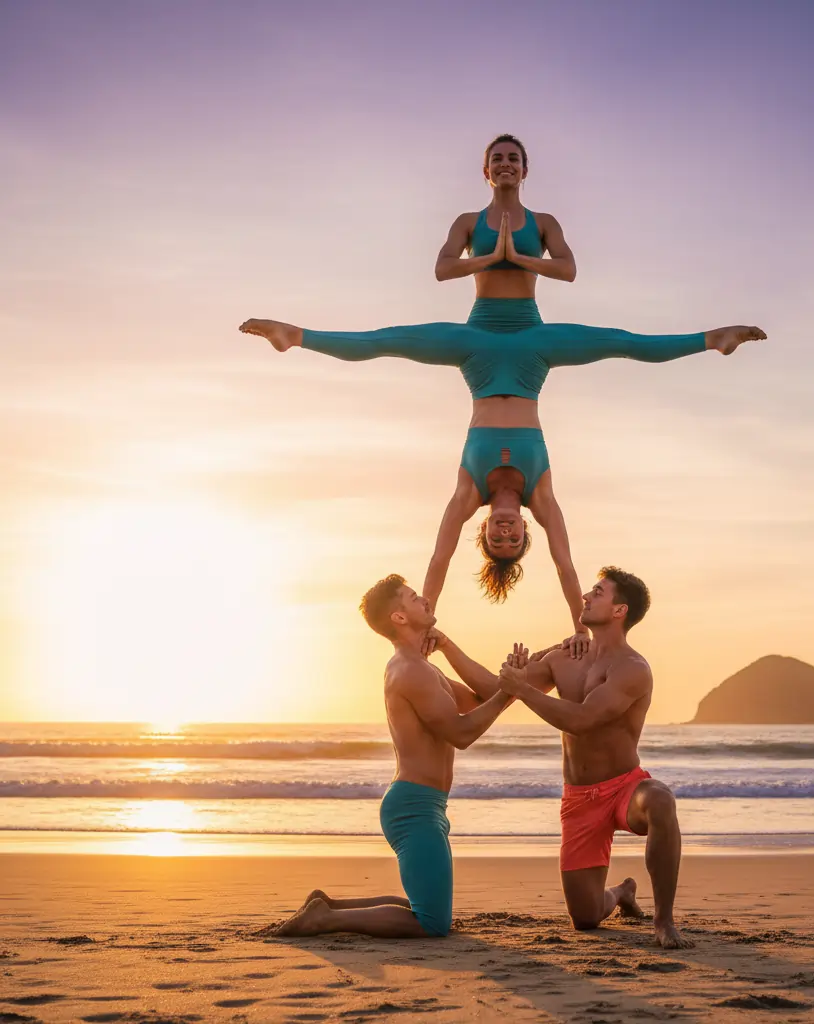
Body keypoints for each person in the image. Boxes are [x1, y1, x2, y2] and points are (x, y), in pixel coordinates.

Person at [240, 134, 766, 644]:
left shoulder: (470, 490)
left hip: (497, 345)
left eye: (513, 158)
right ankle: (295, 337)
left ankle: (711, 340)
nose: (506, 531)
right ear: (487, 172)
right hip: (507, 341)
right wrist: (493, 258)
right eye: (499, 159)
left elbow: (569, 270)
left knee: (617, 340)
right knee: (393, 339)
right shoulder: (469, 223)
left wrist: (520, 257)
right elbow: (444, 269)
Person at [272, 575, 513, 938]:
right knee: (432, 923)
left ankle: (329, 905)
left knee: (426, 910)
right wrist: (513, 690)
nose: (425, 602)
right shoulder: (411, 671)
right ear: (399, 618)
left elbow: (484, 698)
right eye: (415, 598)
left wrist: (447, 645)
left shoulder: (426, 667)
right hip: (413, 807)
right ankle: (324, 920)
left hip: (427, 805)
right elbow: (463, 733)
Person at [496, 566, 688, 949]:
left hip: (624, 789)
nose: (585, 597)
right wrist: (444, 648)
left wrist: (522, 690)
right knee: (584, 918)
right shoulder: (564, 656)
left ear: (620, 611)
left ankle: (663, 920)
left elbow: (583, 720)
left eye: (597, 592)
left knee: (661, 799)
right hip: (580, 798)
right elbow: (493, 689)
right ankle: (622, 892)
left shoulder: (633, 669)